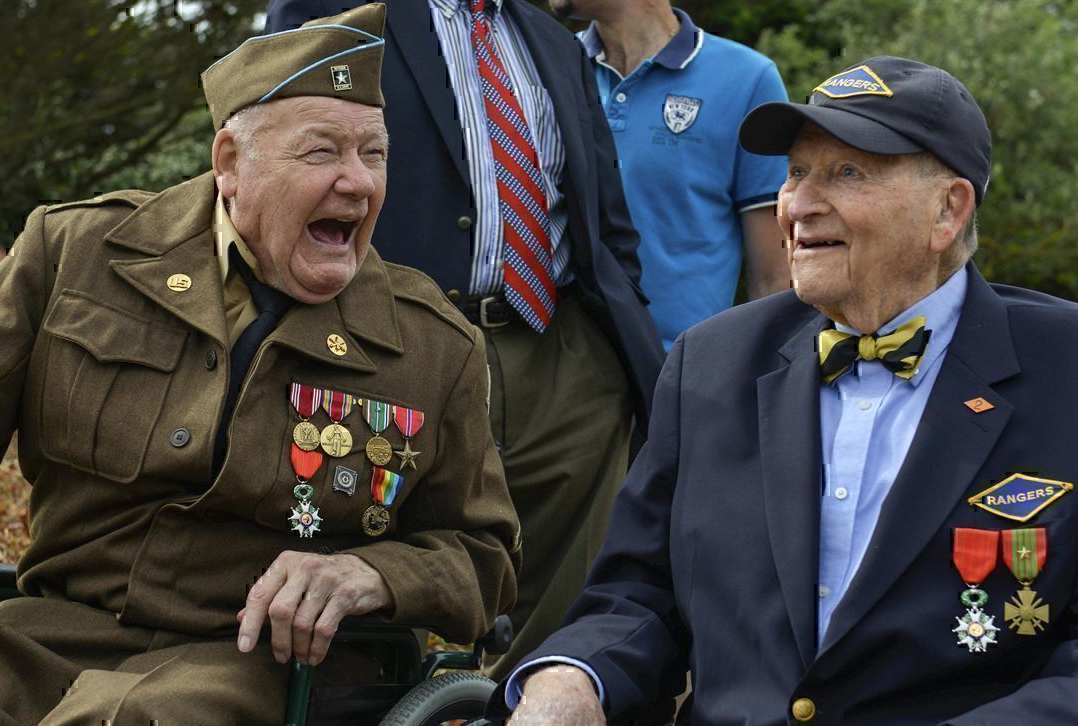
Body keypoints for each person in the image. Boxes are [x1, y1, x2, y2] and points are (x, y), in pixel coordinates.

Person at [490, 56, 1078, 724]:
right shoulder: (711, 363)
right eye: (797, 172)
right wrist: (574, 676)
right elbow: (639, 593)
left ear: (948, 210)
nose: (798, 205)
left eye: (847, 173)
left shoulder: (1064, 369)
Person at [0, 6, 520, 723]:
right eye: (321, 152)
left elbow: (484, 555)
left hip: (267, 666)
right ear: (230, 164)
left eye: (374, 153)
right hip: (56, 629)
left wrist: (370, 572)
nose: (359, 182)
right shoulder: (75, 256)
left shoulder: (431, 344)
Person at [265, 0, 665, 678]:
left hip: (561, 355)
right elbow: (281, 170)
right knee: (383, 577)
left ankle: (531, 706)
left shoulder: (553, 40)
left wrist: (611, 349)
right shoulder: (334, 10)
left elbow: (604, 218)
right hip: (394, 350)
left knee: (562, 610)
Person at [550, 0, 790, 349]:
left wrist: (765, 372)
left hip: (684, 366)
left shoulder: (748, 79)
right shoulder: (549, 67)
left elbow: (774, 278)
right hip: (566, 366)